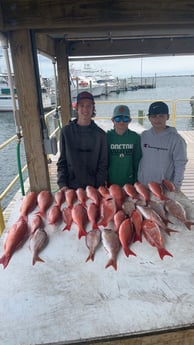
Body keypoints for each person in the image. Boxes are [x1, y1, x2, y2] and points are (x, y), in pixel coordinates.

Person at [57, 91, 108, 190]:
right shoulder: (66, 132)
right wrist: (62, 184)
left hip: (94, 188)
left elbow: (103, 165)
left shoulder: (101, 135)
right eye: (82, 105)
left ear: (93, 108)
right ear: (76, 108)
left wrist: (98, 187)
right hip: (70, 189)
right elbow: (62, 161)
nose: (85, 109)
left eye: (89, 106)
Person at [138, 101, 188, 190]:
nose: (157, 119)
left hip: (164, 188)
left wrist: (176, 187)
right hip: (144, 186)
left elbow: (180, 164)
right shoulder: (143, 136)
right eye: (153, 116)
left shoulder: (176, 139)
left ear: (167, 117)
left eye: (161, 116)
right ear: (149, 118)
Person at [107, 104, 142, 186]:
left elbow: (137, 161)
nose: (121, 122)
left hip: (129, 182)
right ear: (113, 120)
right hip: (111, 183)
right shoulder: (106, 137)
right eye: (118, 119)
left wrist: (136, 180)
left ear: (130, 120)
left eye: (125, 119)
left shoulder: (135, 137)